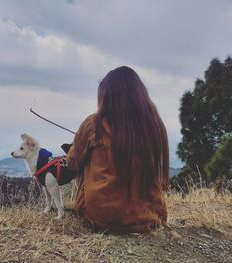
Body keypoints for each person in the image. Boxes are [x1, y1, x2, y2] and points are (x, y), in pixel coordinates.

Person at [66, 66, 169, 233]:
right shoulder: (155, 125)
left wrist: (76, 145)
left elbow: (72, 163)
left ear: (106, 96)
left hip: (101, 219)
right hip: (149, 218)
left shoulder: (94, 124)